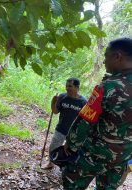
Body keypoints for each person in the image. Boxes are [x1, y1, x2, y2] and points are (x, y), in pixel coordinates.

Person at [62, 37, 132, 189]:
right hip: (123, 156)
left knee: (72, 182)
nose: (104, 61)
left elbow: (85, 120)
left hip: (94, 154)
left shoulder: (109, 86)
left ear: (117, 56)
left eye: (106, 56)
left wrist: (71, 143)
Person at [43, 78, 87, 169]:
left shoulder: (83, 102)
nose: (67, 88)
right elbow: (55, 111)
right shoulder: (63, 97)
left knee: (69, 152)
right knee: (53, 147)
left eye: (70, 86)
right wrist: (53, 102)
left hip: (73, 133)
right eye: (66, 86)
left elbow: (84, 120)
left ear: (77, 87)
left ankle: (65, 168)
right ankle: (51, 163)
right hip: (61, 128)